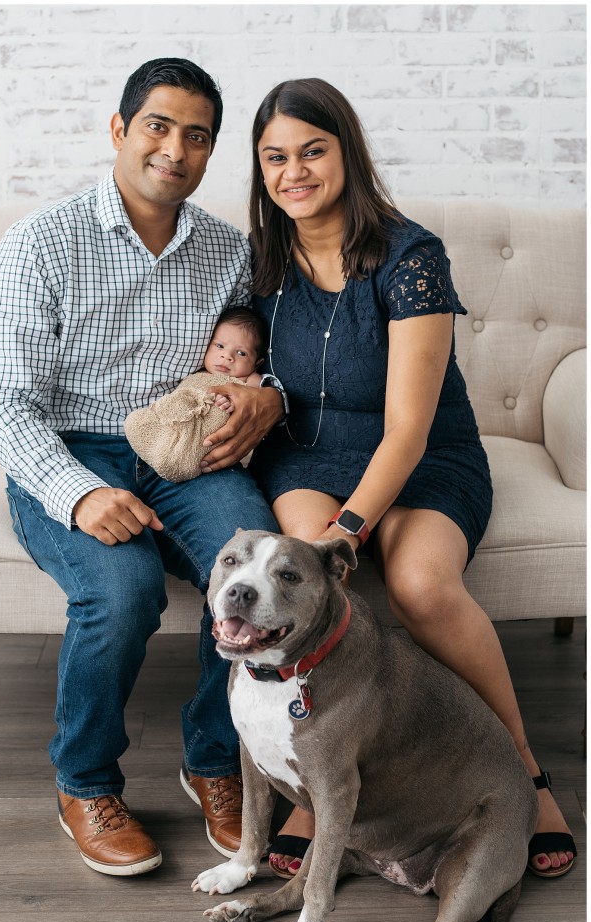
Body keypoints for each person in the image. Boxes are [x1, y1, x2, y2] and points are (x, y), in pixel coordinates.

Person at [199, 77, 576, 881]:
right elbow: (252, 365)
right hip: (309, 454)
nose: (292, 172)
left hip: (426, 458)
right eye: (274, 158)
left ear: (347, 153)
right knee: (302, 581)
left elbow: (408, 425)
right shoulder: (264, 260)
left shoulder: (412, 259)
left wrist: (351, 529)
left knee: (419, 586)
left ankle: (524, 770)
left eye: (311, 151)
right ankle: (313, 782)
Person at [0, 58, 285, 877]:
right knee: (123, 590)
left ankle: (216, 760)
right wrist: (78, 494)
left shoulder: (228, 252)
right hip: (70, 450)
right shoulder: (39, 243)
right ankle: (84, 783)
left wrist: (270, 399)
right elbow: (5, 405)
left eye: (197, 135)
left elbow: (264, 356)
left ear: (211, 152)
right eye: (157, 125)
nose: (174, 149)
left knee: (257, 568)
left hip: (186, 450)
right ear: (119, 131)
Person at [123, 306, 267, 481]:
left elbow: (256, 402)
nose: (227, 356)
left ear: (257, 363)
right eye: (220, 346)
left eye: (241, 353)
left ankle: (178, 461)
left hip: (203, 439)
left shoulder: (248, 379)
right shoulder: (199, 371)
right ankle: (165, 453)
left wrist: (234, 402)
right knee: (135, 421)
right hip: (176, 426)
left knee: (216, 413)